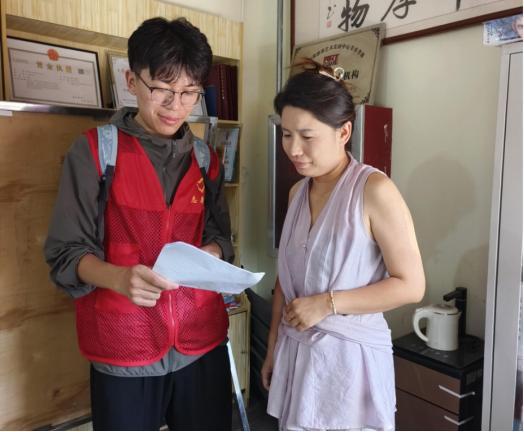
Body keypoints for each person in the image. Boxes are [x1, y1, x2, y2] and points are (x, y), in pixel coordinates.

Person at [44, 17, 234, 431]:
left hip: (201, 341)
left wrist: (213, 252)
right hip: (124, 347)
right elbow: (65, 253)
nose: (176, 105)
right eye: (162, 88)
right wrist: (117, 277)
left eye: (189, 92)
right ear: (132, 81)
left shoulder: (204, 159)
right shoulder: (95, 152)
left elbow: (221, 236)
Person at [261, 59, 425, 431]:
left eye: (307, 136)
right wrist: (272, 348)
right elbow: (286, 280)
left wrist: (327, 303)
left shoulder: (374, 191)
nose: (294, 149)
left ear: (344, 131)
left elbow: (411, 285)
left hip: (349, 365)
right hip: (297, 352)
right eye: (286, 135)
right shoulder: (297, 192)